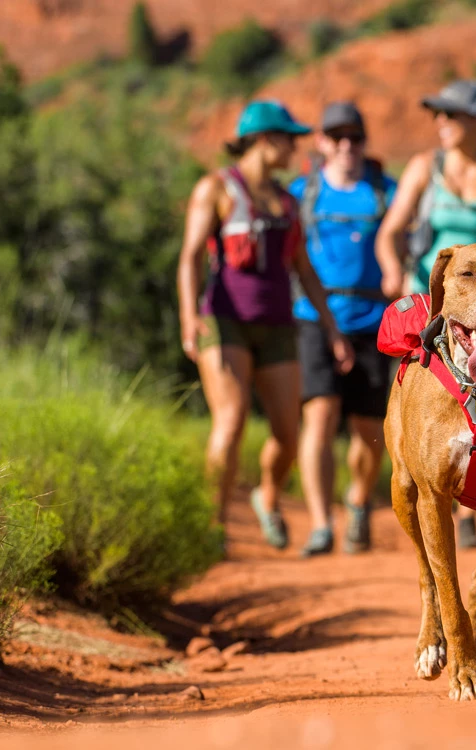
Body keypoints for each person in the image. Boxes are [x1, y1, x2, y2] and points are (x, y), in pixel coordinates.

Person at [177, 100, 354, 555]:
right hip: (225, 320)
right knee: (231, 420)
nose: (294, 147)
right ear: (264, 139)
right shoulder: (215, 189)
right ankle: (210, 528)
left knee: (288, 436)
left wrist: (332, 329)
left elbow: (304, 269)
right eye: (289, 138)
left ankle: (266, 495)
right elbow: (192, 254)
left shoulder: (287, 200)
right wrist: (189, 315)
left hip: (278, 324)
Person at [375, 79, 476, 548]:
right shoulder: (426, 169)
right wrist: (392, 275)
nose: (441, 123)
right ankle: (438, 491)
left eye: (451, 115)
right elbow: (390, 233)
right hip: (428, 314)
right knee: (427, 415)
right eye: (438, 115)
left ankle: (470, 504)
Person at [289, 102, 397, 556]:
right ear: (322, 143)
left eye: (355, 136)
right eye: (337, 137)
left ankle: (357, 501)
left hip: (374, 321)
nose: (346, 145)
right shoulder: (301, 192)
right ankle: (320, 524)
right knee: (319, 415)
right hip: (314, 317)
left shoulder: (386, 191)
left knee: (370, 432)